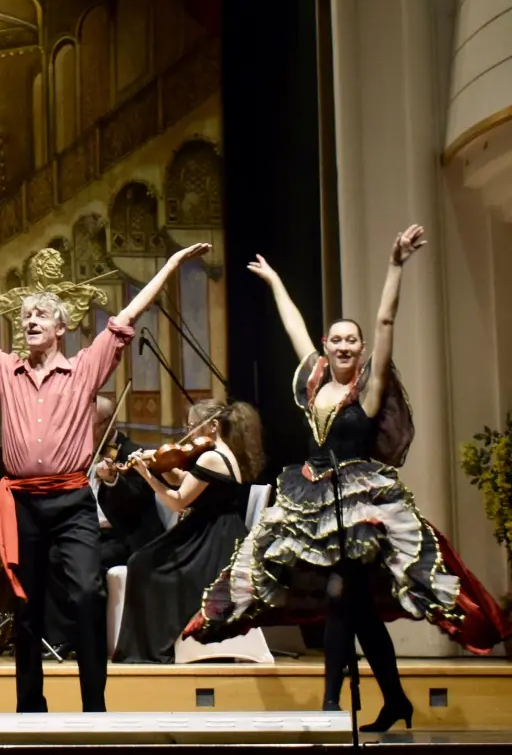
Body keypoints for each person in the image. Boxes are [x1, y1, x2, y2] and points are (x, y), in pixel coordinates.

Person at [185, 227, 509, 731]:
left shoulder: (369, 390)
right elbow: (294, 327)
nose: (343, 346)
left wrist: (396, 264)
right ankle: (391, 700)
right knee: (355, 611)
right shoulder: (314, 382)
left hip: (359, 506)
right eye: (335, 340)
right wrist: (274, 283)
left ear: (359, 349)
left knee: (342, 600)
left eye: (351, 341)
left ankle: (334, 704)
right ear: (325, 346)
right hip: (312, 498)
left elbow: (385, 319)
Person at [0, 243, 209, 713]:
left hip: (71, 501)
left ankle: (94, 705)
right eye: (26, 316)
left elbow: (125, 316)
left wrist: (169, 265)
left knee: (86, 592)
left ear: (61, 328)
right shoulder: (4, 370)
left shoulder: (83, 370)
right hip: (22, 505)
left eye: (42, 315)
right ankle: (29, 706)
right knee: (26, 607)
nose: (31, 321)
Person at [110, 399, 261, 663]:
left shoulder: (212, 457)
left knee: (144, 565)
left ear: (213, 426)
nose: (189, 432)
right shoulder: (221, 453)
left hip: (214, 541)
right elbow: (185, 481)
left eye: (194, 426)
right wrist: (163, 468)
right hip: (214, 531)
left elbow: (178, 500)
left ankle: (157, 646)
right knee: (144, 561)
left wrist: (147, 475)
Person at [91, 396, 166, 574]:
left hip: (122, 536)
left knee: (88, 563)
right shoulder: (85, 452)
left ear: (109, 424)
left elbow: (136, 502)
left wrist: (112, 481)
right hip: (90, 532)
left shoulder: (133, 454)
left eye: (89, 426)